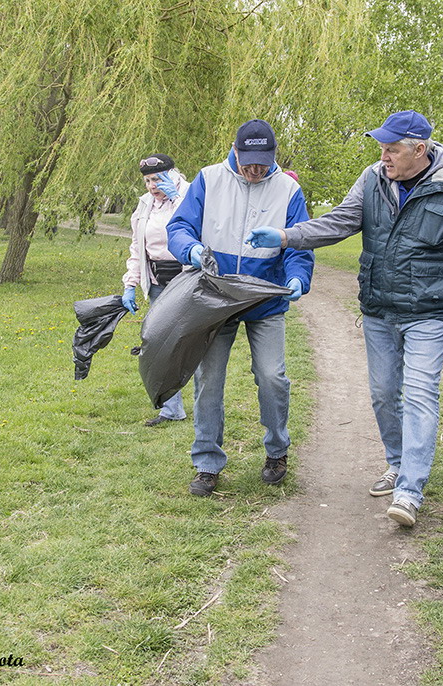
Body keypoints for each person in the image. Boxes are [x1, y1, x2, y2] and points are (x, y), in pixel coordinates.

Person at [247, 110, 443, 527]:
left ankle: (409, 492)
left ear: (420, 149)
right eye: (381, 148)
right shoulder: (372, 179)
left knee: (420, 395)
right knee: (383, 393)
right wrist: (288, 236)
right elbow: (339, 222)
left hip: (429, 313)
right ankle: (397, 463)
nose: (384, 157)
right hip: (379, 310)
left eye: (392, 149)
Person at [165, 119, 314, 496]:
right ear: (235, 151)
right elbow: (179, 228)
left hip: (265, 299)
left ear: (274, 156)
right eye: (248, 162)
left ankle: (277, 451)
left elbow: (299, 244)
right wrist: (190, 249)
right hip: (215, 298)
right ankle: (207, 462)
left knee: (272, 376)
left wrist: (298, 277)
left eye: (263, 163)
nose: (255, 170)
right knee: (208, 379)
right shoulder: (209, 179)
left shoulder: (288, 190)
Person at [121, 153, 191, 426]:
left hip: (188, 279)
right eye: (148, 181)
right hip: (158, 282)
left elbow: (198, 228)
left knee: (192, 342)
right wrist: (130, 284)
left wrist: (178, 200)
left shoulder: (190, 195)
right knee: (162, 344)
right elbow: (138, 248)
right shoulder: (145, 205)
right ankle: (171, 409)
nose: (152, 186)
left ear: (172, 175)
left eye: (157, 179)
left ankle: (207, 406)